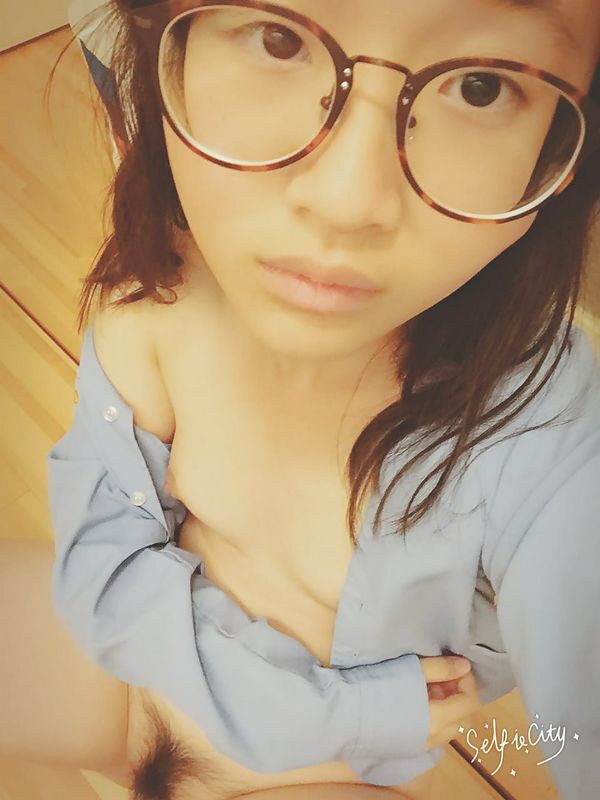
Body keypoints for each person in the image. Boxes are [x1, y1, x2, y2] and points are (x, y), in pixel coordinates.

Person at [41, 0, 600, 798]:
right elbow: (96, 569)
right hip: (135, 713)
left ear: (563, 152)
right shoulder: (156, 306)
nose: (346, 200)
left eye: (481, 86)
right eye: (279, 39)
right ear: (166, 46)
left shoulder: (543, 429)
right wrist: (349, 714)